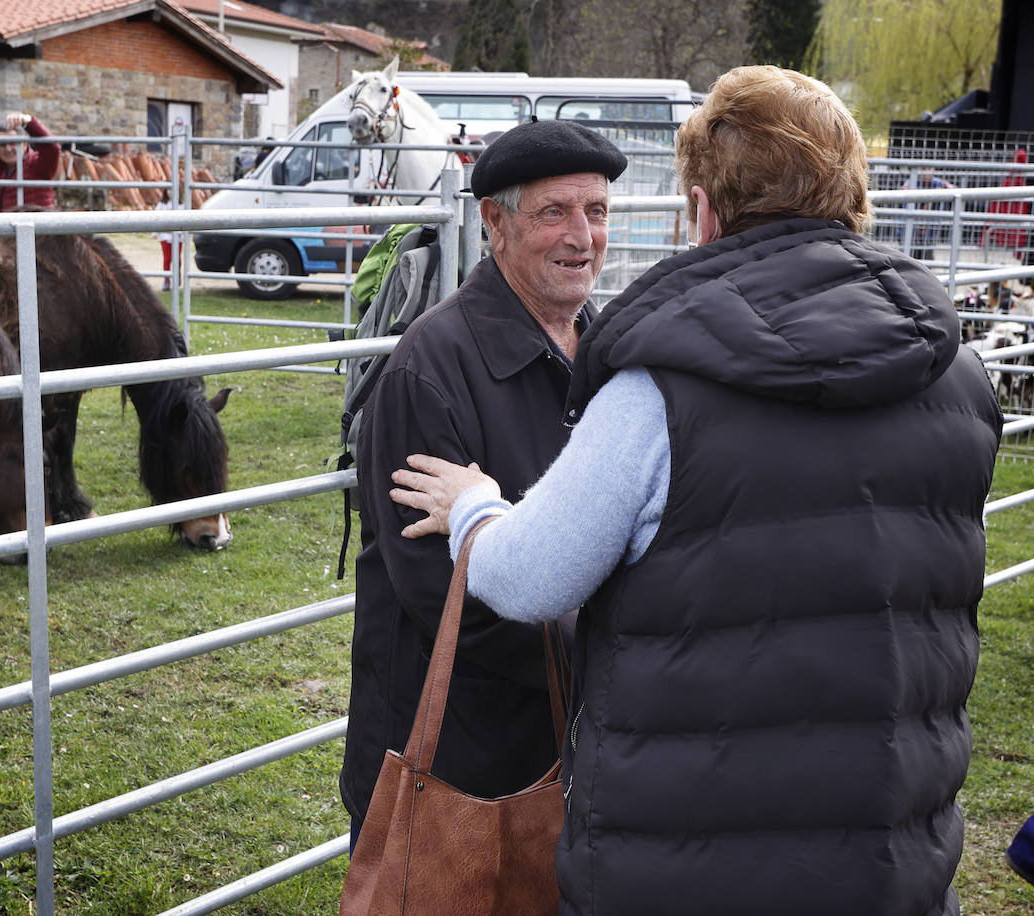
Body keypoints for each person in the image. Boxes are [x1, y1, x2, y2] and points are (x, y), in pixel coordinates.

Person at [387, 65, 1003, 914]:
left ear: (706, 211)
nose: (583, 235)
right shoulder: (961, 381)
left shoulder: (664, 392)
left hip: (697, 845)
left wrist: (477, 510)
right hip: (891, 835)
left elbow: (533, 577)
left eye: (595, 211)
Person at [338, 119, 628, 853]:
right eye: (554, 213)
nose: (582, 237)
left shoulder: (607, 353)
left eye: (596, 211)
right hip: (457, 755)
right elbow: (446, 594)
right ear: (494, 222)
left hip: (562, 740)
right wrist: (608, 659)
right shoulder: (428, 371)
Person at [155, 187, 177, 291]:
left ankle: (177, 277)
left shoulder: (180, 204)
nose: (170, 192)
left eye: (172, 189)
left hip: (178, 237)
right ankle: (167, 280)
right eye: (168, 189)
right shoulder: (161, 205)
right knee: (167, 259)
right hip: (165, 236)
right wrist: (155, 232)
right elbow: (155, 218)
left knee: (177, 259)